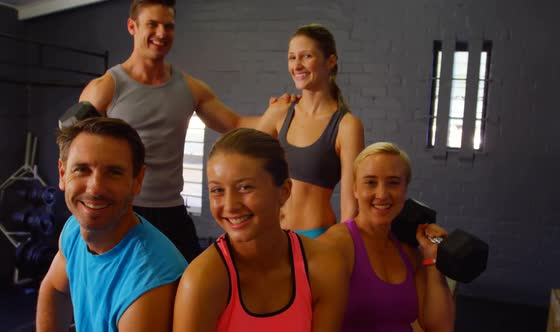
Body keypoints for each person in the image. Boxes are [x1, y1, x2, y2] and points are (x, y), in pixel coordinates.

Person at [78, 0, 292, 261]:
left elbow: (234, 124)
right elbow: (76, 150)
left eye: (168, 26)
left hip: (172, 210)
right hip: (125, 209)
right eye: (152, 25)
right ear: (132, 26)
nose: (161, 33)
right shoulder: (105, 87)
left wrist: (275, 115)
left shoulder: (190, 88)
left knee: (187, 287)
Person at [173, 128, 348, 332]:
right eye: (217, 190)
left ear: (284, 192)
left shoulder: (324, 267)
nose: (229, 205)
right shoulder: (201, 280)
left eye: (245, 187)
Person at [36, 117, 187, 331]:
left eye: (114, 172)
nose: (95, 188)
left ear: (137, 180)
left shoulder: (148, 281)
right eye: (82, 169)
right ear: (62, 173)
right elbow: (54, 288)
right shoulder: (73, 231)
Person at [318, 142, 455, 332]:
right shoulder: (336, 245)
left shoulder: (408, 250)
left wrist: (432, 260)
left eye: (393, 183)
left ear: (405, 190)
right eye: (370, 182)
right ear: (355, 189)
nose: (382, 194)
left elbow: (440, 327)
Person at [257, 23, 365, 239]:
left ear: (331, 61)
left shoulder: (346, 126)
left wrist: (344, 251)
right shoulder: (280, 112)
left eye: (306, 56)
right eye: (291, 57)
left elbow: (350, 205)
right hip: (271, 235)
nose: (297, 65)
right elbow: (241, 158)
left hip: (314, 237)